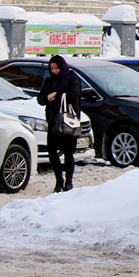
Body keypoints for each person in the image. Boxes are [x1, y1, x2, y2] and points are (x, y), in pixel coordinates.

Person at [37, 54, 81, 193]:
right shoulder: (49, 81)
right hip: (53, 121)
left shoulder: (71, 78)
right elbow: (40, 99)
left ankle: (68, 182)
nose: (54, 71)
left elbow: (75, 96)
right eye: (52, 68)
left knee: (68, 152)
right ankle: (58, 181)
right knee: (52, 151)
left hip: (68, 121)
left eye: (56, 68)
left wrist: (60, 95)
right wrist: (48, 97)